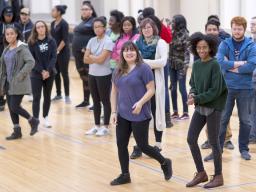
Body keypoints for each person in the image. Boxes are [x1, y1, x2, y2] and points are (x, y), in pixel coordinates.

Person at [110, 41, 172, 185]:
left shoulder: (144, 68)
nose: (129, 52)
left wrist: (140, 103)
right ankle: (125, 174)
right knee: (121, 144)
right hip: (123, 114)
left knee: (143, 146)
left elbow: (151, 89)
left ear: (136, 52)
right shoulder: (118, 69)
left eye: (132, 50)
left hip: (140, 113)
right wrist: (113, 112)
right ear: (122, 53)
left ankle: (164, 162)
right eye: (126, 50)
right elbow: (114, 91)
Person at [205, 16, 256, 161]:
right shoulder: (225, 44)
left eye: (240, 29)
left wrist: (232, 66)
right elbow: (221, 62)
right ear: (231, 28)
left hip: (245, 88)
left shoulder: (251, 45)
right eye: (234, 28)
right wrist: (241, 63)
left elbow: (251, 66)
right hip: (226, 88)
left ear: (244, 29)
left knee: (245, 121)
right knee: (222, 120)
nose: (237, 31)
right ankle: (217, 151)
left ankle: (244, 149)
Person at [186, 32, 227, 188]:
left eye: (204, 47)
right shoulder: (196, 64)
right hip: (201, 106)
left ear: (211, 48)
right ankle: (201, 173)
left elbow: (215, 91)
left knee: (214, 142)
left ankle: (218, 176)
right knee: (191, 138)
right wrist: (192, 93)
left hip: (214, 107)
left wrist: (196, 98)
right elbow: (193, 84)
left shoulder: (215, 64)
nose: (201, 50)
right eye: (198, 48)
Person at [130, 18, 167, 158]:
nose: (146, 30)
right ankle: (139, 144)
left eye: (149, 27)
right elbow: (132, 60)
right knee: (140, 113)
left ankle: (158, 144)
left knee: (157, 111)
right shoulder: (136, 42)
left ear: (154, 28)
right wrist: (144, 63)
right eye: (144, 27)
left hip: (155, 81)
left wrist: (143, 62)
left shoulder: (161, 42)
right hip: (140, 82)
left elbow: (162, 62)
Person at [0, 26, 39, 140]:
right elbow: (3, 67)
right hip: (8, 83)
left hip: (18, 82)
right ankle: (17, 131)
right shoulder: (6, 49)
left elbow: (31, 62)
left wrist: (20, 75)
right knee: (12, 108)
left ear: (16, 34)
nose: (9, 36)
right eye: (7, 34)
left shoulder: (22, 48)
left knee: (14, 106)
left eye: (12, 33)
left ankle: (33, 120)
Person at [201, 20, 235, 152]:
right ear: (205, 31)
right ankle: (210, 139)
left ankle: (227, 139)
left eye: (214, 29)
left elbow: (228, 63)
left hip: (223, 82)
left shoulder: (225, 45)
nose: (212, 32)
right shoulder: (202, 45)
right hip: (206, 84)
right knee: (207, 111)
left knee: (223, 111)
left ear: (218, 30)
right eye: (209, 29)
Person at [84, 17, 113, 136]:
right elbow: (85, 59)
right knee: (95, 101)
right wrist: (94, 58)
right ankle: (96, 126)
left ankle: (105, 126)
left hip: (104, 75)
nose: (97, 29)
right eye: (95, 27)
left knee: (105, 100)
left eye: (99, 26)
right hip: (92, 74)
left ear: (104, 28)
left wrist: (92, 57)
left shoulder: (108, 41)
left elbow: (102, 60)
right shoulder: (91, 40)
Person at [28, 21, 57, 128]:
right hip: (36, 74)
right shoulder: (31, 42)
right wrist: (42, 71)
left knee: (47, 96)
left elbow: (54, 57)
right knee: (36, 97)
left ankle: (45, 117)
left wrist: (48, 71)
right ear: (35, 29)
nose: (40, 29)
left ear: (45, 28)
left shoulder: (51, 41)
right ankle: (35, 120)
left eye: (42, 26)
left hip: (50, 73)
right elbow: (32, 59)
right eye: (38, 27)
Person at [72, 1, 96, 108]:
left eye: (86, 9)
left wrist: (88, 48)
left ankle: (96, 102)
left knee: (91, 78)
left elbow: (98, 37)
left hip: (87, 55)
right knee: (84, 78)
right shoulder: (81, 22)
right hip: (77, 55)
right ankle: (86, 100)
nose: (84, 11)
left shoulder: (94, 21)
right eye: (82, 9)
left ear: (91, 11)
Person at [169, 14, 190, 120]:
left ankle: (185, 112)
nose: (172, 23)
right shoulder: (171, 33)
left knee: (182, 88)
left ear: (179, 23)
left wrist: (186, 66)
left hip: (181, 65)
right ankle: (175, 112)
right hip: (171, 64)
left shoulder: (185, 35)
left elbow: (187, 52)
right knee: (173, 88)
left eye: (174, 21)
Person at [0, 6, 20, 111]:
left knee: (13, 77)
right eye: (7, 15)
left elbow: (20, 39)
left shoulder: (16, 25)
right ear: (3, 15)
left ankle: (15, 100)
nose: (8, 17)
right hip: (2, 55)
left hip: (14, 55)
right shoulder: (1, 25)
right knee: (2, 77)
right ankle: (1, 99)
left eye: (10, 15)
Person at [51, 5, 71, 103]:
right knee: (56, 73)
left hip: (63, 53)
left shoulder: (64, 24)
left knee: (64, 74)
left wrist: (57, 51)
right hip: (55, 53)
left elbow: (64, 40)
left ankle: (67, 96)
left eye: (53, 10)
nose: (52, 12)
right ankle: (58, 94)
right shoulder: (52, 23)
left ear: (59, 12)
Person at [249, 16, 256, 144]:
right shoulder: (250, 42)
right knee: (251, 109)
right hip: (251, 80)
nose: (251, 27)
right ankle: (252, 135)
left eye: (254, 24)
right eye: (251, 25)